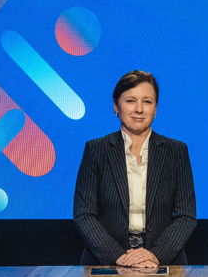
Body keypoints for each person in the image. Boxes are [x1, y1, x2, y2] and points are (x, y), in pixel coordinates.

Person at [73, 70, 197, 266]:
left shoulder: (176, 151)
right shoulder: (96, 149)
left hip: (163, 261)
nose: (139, 109)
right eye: (130, 100)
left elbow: (186, 215)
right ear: (116, 106)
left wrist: (155, 255)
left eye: (147, 101)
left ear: (156, 108)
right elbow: (84, 214)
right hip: (105, 261)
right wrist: (119, 257)